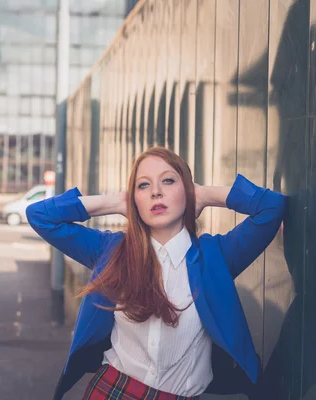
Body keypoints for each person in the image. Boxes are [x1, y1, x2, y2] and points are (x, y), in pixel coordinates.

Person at [26, 147, 287, 400]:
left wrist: (205, 195)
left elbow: (271, 207)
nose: (156, 192)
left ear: (187, 190)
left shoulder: (216, 256)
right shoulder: (111, 250)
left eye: (169, 181)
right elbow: (40, 216)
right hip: (112, 390)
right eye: (143, 185)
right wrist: (116, 202)